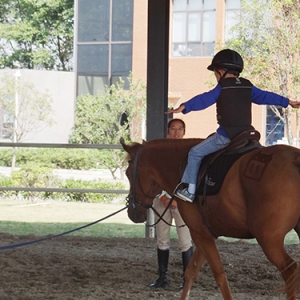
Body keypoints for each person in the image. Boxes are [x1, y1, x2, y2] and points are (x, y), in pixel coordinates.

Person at [166, 49, 300, 203]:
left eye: (216, 73)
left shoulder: (222, 87)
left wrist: (185, 106)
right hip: (247, 135)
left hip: (226, 136)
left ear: (221, 71)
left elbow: (204, 99)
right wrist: (287, 102)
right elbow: (265, 96)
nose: (216, 77)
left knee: (195, 153)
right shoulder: (247, 86)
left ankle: (190, 191)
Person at [149, 118, 193, 290]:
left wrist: (178, 198)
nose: (176, 132)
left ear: (184, 132)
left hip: (182, 202)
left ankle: (187, 280)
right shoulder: (160, 152)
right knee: (162, 238)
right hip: (162, 200)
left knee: (185, 241)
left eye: (180, 129)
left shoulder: (191, 153)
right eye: (173, 128)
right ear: (168, 130)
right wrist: (162, 196)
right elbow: (153, 176)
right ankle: (162, 277)